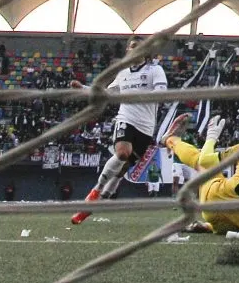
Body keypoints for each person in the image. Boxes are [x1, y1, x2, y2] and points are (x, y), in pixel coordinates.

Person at [69, 36, 168, 225]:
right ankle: (94, 193)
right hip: (126, 118)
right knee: (123, 153)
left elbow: (161, 93)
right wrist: (83, 88)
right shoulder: (123, 72)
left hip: (146, 127)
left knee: (121, 171)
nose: (134, 50)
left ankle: (92, 207)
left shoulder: (155, 70)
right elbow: (108, 93)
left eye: (138, 47)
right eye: (131, 47)